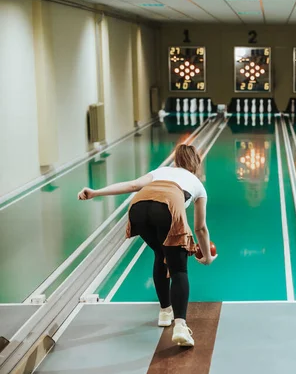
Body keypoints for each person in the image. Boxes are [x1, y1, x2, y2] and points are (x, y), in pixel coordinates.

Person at [78, 144, 214, 347]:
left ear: (176, 161)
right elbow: (200, 228)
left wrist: (96, 192)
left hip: (138, 208)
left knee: (162, 255)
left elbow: (132, 185)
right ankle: (180, 326)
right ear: (196, 164)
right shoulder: (197, 184)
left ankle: (165, 311)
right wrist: (207, 257)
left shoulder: (160, 171)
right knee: (178, 269)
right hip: (167, 208)